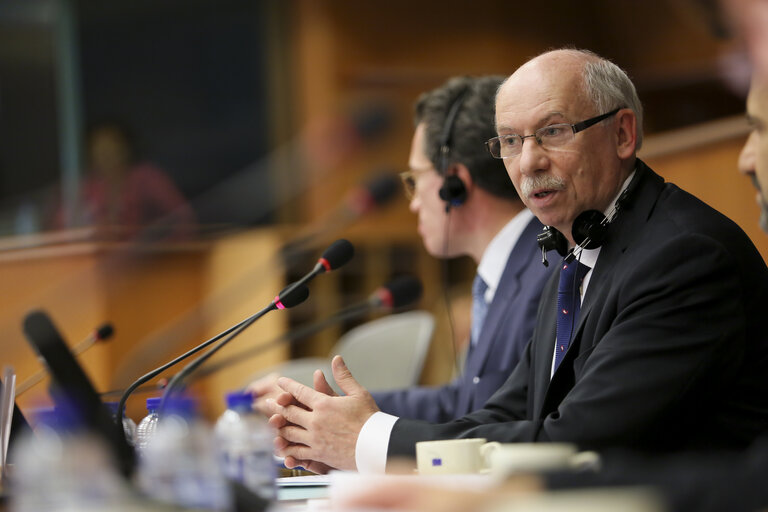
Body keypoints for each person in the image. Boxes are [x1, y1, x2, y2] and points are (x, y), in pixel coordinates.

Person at [265, 48, 768, 475]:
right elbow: (507, 410)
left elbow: (577, 443)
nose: (528, 162)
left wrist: (371, 442)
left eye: (552, 131)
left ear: (622, 134)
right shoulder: (576, 248)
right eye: (509, 141)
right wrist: (359, 443)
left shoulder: (683, 257)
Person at [249, 76, 552, 422]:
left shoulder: (548, 271)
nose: (412, 204)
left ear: (455, 184)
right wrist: (324, 405)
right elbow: (464, 404)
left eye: (415, 180)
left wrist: (360, 440)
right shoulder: (513, 269)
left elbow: (504, 425)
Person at [54, 120, 196, 240]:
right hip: (98, 262)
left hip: (145, 260)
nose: (105, 153)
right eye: (99, 147)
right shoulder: (85, 185)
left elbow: (182, 216)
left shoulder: (146, 177)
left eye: (111, 146)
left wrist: (163, 251)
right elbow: (63, 226)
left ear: (126, 147)